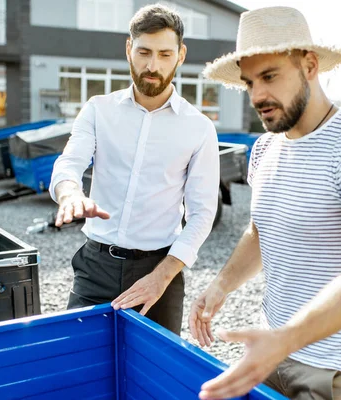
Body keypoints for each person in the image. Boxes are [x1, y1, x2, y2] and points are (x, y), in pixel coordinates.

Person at [189, 6, 341, 400]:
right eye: (249, 81)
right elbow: (260, 230)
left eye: (269, 76)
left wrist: (286, 339)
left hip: (331, 365)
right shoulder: (265, 147)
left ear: (309, 65)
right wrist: (221, 284)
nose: (257, 95)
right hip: (269, 346)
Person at [49, 4, 220, 336]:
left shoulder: (199, 128)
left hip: (160, 271)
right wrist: (70, 193)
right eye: (143, 52)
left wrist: (163, 275)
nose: (152, 65)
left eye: (164, 54)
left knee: (154, 381)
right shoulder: (98, 110)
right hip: (95, 266)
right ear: (129, 49)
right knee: (80, 368)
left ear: (181, 55)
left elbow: (202, 213)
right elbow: (69, 164)